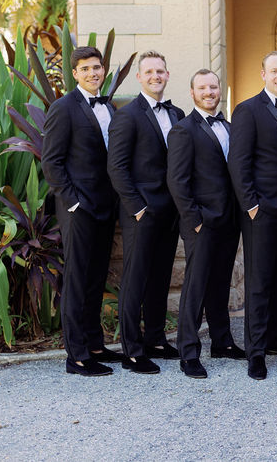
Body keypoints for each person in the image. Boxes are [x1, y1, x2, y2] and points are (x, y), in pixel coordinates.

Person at [107, 51, 186, 374]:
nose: (155, 76)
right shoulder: (127, 116)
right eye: (149, 71)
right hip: (141, 211)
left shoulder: (178, 113)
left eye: (160, 71)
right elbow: (117, 167)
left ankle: (155, 338)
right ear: (139, 77)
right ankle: (133, 349)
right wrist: (137, 208)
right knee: (135, 280)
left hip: (171, 211)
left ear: (168, 75)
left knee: (160, 278)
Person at [42, 46, 120, 377]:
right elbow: (51, 161)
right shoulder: (63, 108)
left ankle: (95, 344)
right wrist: (73, 202)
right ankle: (76, 356)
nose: (93, 73)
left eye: (97, 67)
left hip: (106, 206)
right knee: (76, 280)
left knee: (95, 278)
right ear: (75, 73)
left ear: (104, 70)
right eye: (85, 69)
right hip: (78, 209)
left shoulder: (111, 108)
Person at [229, 51, 277, 380]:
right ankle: (255, 352)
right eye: (274, 71)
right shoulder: (247, 110)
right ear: (263, 74)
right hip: (262, 210)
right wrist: (251, 204)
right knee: (259, 283)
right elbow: (239, 162)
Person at [166, 69, 241, 379]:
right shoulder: (183, 130)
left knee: (221, 283)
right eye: (203, 88)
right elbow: (177, 180)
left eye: (214, 86)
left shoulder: (229, 126)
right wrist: (193, 220)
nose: (210, 92)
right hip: (202, 222)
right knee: (195, 288)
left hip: (229, 219)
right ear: (192, 92)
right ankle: (189, 351)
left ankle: (222, 341)